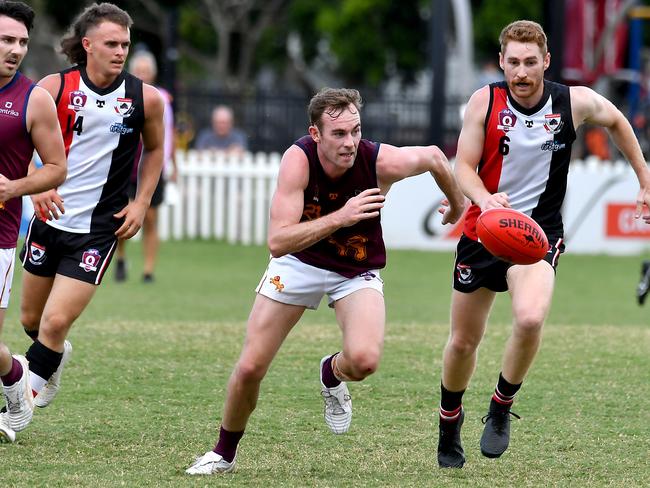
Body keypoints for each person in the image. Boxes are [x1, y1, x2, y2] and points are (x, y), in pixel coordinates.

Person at [185, 87, 466, 475]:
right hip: (298, 261)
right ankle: (223, 453)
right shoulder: (297, 161)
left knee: (365, 360)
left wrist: (457, 202)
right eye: (338, 134)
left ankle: (331, 372)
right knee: (250, 367)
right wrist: (342, 216)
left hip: (355, 267)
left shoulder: (377, 160)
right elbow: (278, 241)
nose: (350, 142)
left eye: (355, 131)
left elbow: (435, 156)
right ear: (315, 134)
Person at [436, 20, 650, 469]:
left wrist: (644, 179)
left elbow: (617, 121)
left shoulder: (573, 102)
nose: (522, 71)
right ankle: (448, 422)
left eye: (531, 62)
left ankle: (499, 407)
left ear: (546, 62)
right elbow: (464, 167)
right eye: (513, 62)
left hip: (537, 236)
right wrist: (483, 200)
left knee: (531, 318)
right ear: (501, 62)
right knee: (462, 343)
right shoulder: (485, 102)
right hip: (482, 232)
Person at [16, 2, 164, 415]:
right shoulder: (52, 88)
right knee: (32, 320)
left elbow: (154, 151)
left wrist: (141, 202)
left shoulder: (144, 99)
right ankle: (53, 356)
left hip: (99, 229)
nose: (120, 51)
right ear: (87, 45)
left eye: (126, 44)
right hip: (48, 221)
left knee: (55, 323)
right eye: (111, 43)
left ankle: (17, 410)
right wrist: (35, 186)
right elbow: (17, 143)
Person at [0, 0, 67, 443]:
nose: (16, 49)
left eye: (22, 41)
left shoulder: (34, 99)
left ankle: (15, 376)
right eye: (6, 39)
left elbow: (56, 167)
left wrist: (11, 189)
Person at [114, 50, 177, 283]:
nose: (142, 75)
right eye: (139, 70)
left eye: (146, 71)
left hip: (152, 166)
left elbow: (168, 133)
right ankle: (120, 258)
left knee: (150, 218)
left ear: (153, 73)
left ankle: (148, 269)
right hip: (127, 164)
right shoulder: (123, 94)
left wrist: (172, 163)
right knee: (122, 215)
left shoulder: (161, 99)